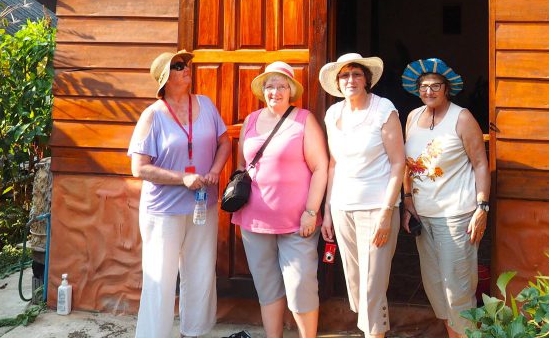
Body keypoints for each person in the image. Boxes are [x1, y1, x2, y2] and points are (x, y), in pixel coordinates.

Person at [128, 50, 231, 338]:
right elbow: (139, 168)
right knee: (159, 279)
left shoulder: (207, 105)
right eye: (178, 66)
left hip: (203, 205)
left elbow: (225, 143)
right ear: (165, 78)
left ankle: (194, 332)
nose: (187, 68)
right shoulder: (152, 116)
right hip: (163, 211)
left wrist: (214, 170)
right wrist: (182, 178)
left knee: (200, 274)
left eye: (186, 64)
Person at [231, 61, 328, 338]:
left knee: (301, 285)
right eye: (270, 85)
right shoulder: (250, 121)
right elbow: (242, 166)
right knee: (267, 287)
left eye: (281, 85)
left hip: (298, 222)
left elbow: (321, 166)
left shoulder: (304, 119)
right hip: (254, 220)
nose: (275, 91)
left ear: (291, 90)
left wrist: (312, 211)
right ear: (263, 90)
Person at [401, 58, 489, 338]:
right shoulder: (413, 117)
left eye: (435, 85)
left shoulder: (461, 117)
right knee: (436, 286)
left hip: (456, 216)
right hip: (422, 215)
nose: (429, 91)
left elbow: (480, 164)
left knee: (458, 289)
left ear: (447, 88)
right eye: (423, 86)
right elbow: (407, 163)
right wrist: (407, 200)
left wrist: (482, 207)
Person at [319, 53, 405, 338]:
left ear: (366, 79)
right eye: (344, 75)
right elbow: (333, 164)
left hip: (376, 207)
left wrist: (386, 211)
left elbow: (398, 163)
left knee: (372, 283)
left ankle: (375, 334)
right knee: (356, 282)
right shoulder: (333, 114)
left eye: (356, 74)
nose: (350, 80)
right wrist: (328, 211)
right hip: (343, 207)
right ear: (337, 82)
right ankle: (370, 330)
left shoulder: (384, 109)